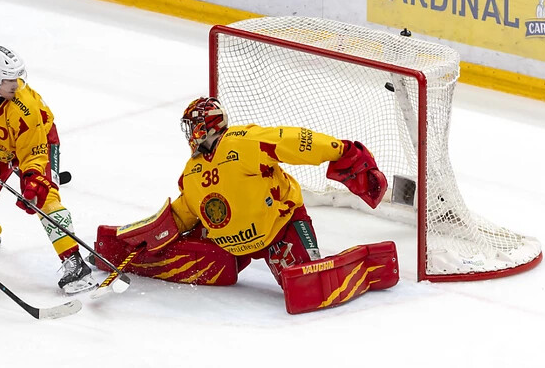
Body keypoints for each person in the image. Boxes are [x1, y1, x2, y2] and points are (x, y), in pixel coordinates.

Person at [93, 97, 400, 314]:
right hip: (228, 246)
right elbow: (185, 213)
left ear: (206, 124)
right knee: (202, 264)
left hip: (279, 230)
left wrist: (340, 150)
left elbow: (291, 140)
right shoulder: (192, 172)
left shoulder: (243, 141)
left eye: (192, 126)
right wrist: (141, 236)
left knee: (306, 287)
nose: (188, 134)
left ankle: (367, 262)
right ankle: (128, 255)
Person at [0, 45, 95, 294]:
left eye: (17, 77)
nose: (16, 84)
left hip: (39, 142)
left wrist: (33, 178)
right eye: (8, 79)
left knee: (44, 197)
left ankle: (74, 263)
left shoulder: (25, 107)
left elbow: (33, 152)